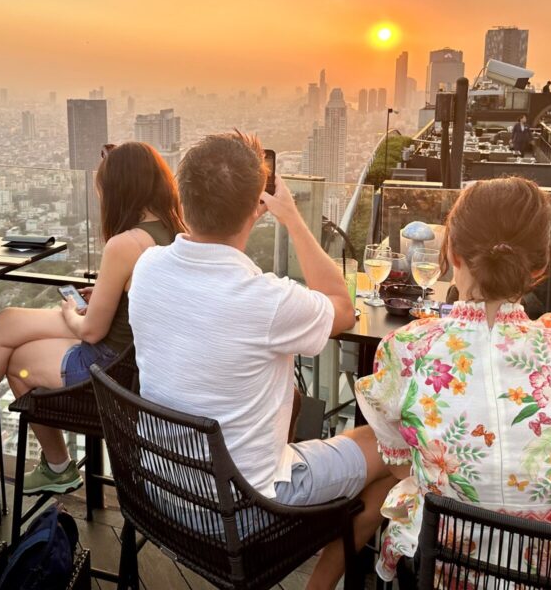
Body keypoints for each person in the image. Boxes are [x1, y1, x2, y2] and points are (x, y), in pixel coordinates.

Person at [129, 132, 403, 590]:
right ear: (256, 208)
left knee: (291, 402)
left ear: (184, 197)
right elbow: (342, 307)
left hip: (161, 494)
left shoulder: (148, 268)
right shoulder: (266, 301)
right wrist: (293, 218)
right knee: (393, 449)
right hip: (241, 513)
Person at [355, 178, 551, 583]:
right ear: (539, 266)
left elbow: (398, 464)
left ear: (451, 253)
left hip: (449, 566)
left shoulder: (407, 350)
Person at [0, 141, 185, 494]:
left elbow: (90, 332)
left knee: (15, 358)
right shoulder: (177, 231)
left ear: (120, 190)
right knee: (10, 321)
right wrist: (105, 296)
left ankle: (53, 463)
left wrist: (71, 312)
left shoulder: (126, 243)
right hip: (138, 363)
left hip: (107, 368)